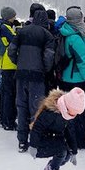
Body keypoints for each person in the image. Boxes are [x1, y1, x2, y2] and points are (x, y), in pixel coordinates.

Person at [8, 8, 55, 152]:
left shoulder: (22, 31)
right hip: (37, 76)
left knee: (21, 107)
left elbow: (11, 50)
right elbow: (49, 56)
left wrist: (18, 63)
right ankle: (35, 139)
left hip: (21, 75)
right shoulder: (47, 35)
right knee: (36, 108)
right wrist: (45, 69)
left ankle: (22, 141)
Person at [29, 88, 85, 170]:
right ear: (66, 107)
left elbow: (70, 132)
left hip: (54, 139)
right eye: (72, 113)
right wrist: (33, 145)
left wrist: (73, 150)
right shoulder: (50, 113)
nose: (73, 116)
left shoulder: (67, 114)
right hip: (40, 142)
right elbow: (37, 128)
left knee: (67, 154)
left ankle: (50, 168)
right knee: (61, 151)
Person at [58, 6, 85, 149]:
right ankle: (78, 139)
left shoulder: (67, 31)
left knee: (68, 110)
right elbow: (82, 62)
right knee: (78, 110)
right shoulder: (76, 37)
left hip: (67, 77)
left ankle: (70, 136)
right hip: (77, 78)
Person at [0, 6, 18, 130]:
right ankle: (8, 121)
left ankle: (3, 118)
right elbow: (14, 41)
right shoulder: (6, 28)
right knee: (9, 94)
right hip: (10, 64)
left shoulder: (0, 26)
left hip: (4, 63)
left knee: (4, 93)